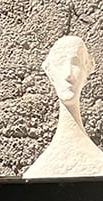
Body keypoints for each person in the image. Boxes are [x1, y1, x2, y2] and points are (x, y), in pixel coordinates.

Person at [24, 35, 103, 178]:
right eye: (60, 62)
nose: (68, 74)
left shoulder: (98, 164)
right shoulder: (40, 170)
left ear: (87, 69)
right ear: (50, 73)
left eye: (75, 63)